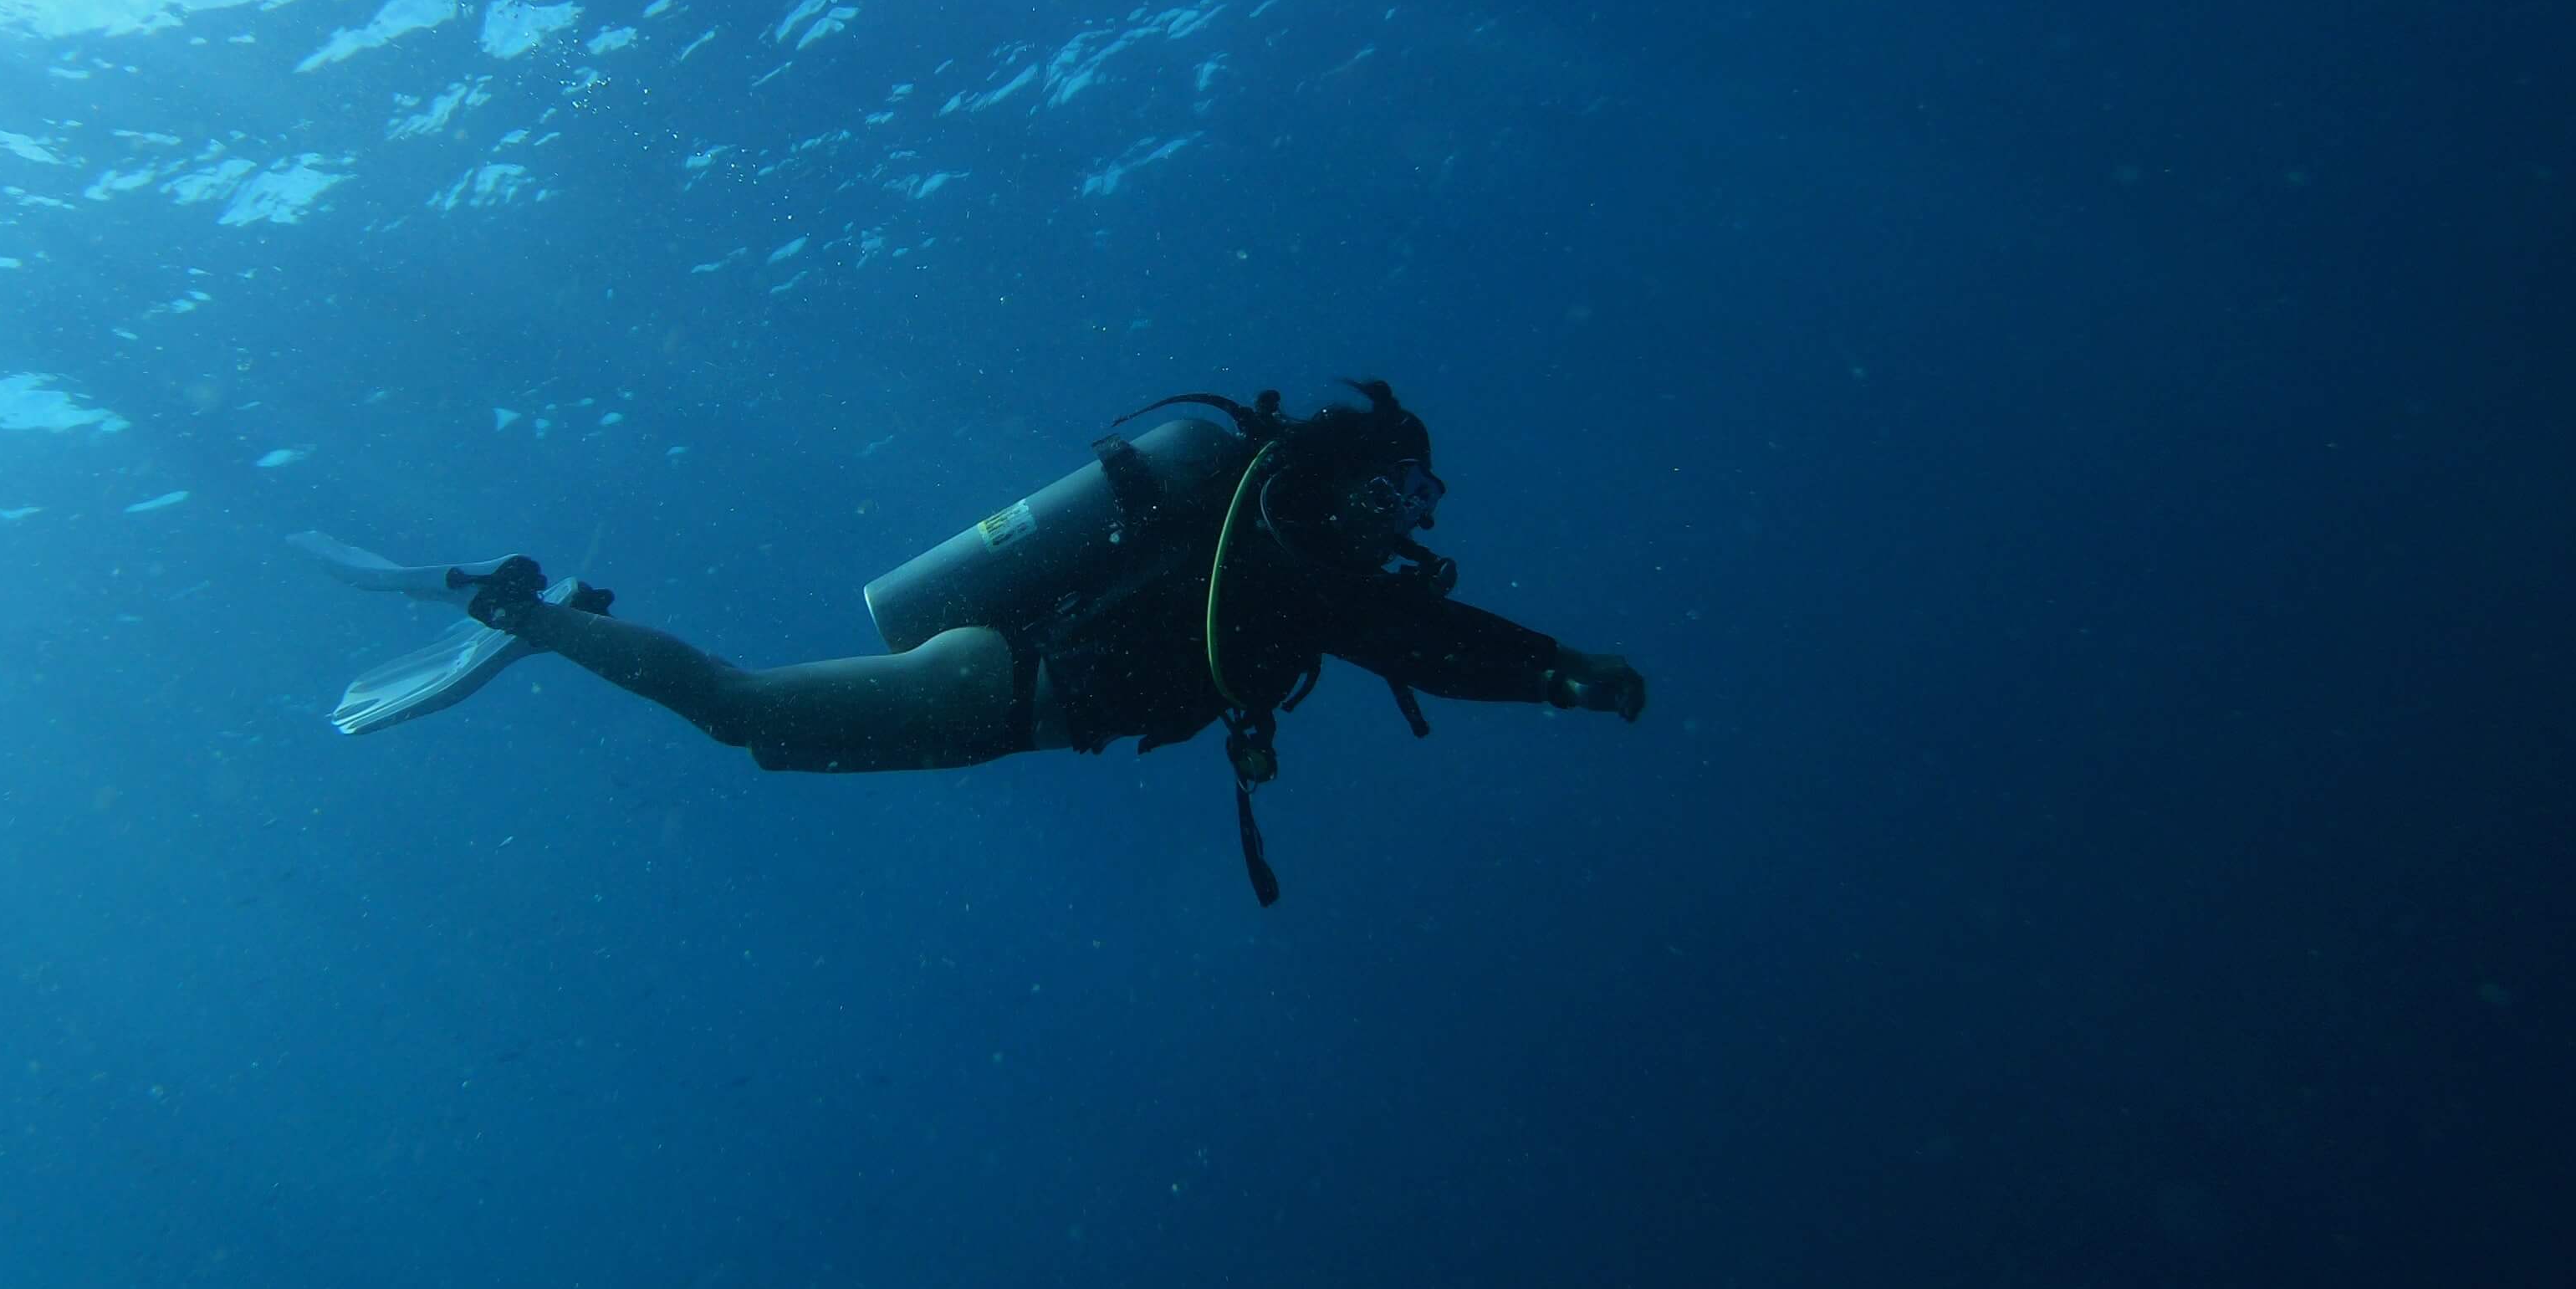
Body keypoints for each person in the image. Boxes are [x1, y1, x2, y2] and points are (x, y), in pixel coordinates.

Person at [304, 381, 1643, 903]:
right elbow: (1436, 640)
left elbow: (1424, 635)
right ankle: (525, 613)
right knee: (739, 709)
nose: (1406, 524)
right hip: (1008, 682)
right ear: (1345, 480)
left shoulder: (1294, 553)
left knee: (753, 725)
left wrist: (1552, 672)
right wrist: (1558, 674)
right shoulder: (1300, 557)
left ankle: (544, 620)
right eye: (1397, 494)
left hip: (1017, 691)